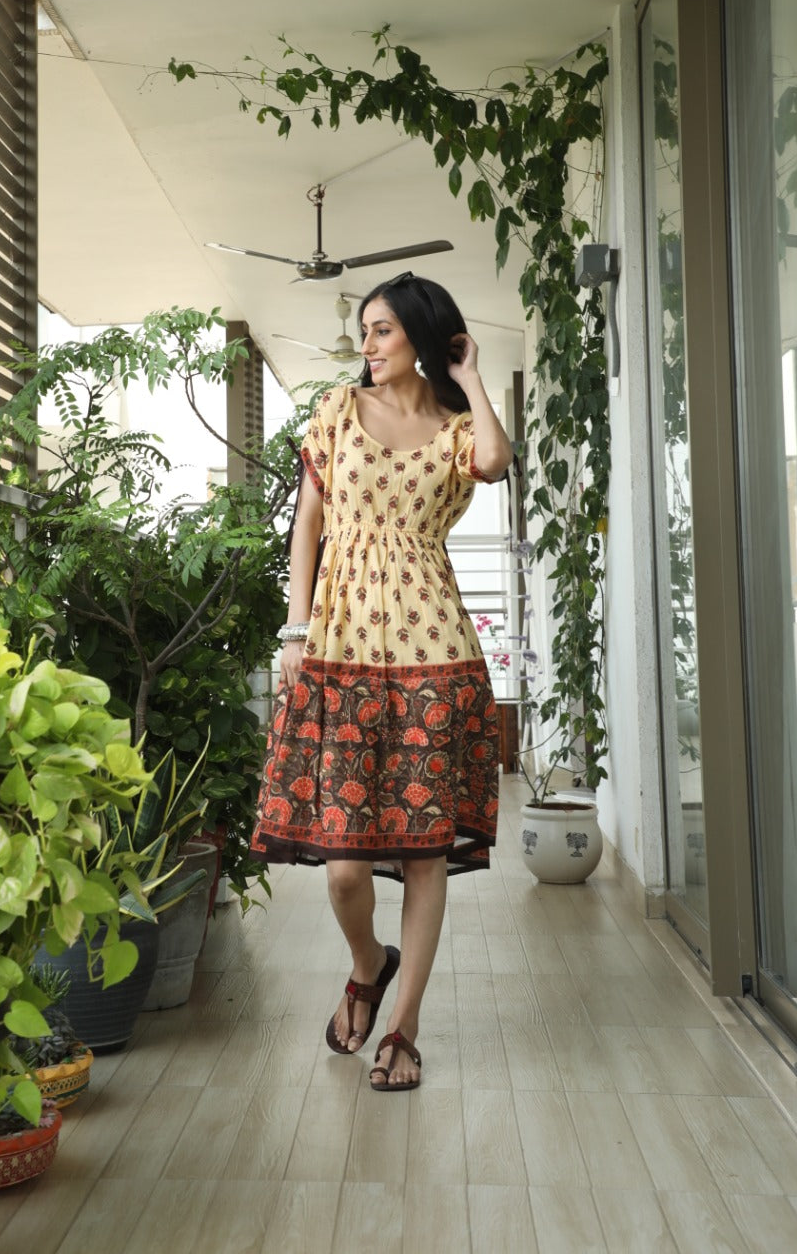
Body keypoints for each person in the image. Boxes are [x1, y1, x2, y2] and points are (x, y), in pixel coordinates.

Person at [251, 271, 513, 1092]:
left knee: (425, 853)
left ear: (423, 338)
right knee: (344, 866)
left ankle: (404, 1029)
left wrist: (469, 376)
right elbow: (308, 528)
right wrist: (294, 630)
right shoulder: (335, 412)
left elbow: (497, 464)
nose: (366, 347)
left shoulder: (455, 427)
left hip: (436, 651)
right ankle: (369, 962)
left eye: (383, 332)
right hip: (340, 648)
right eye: (364, 332)